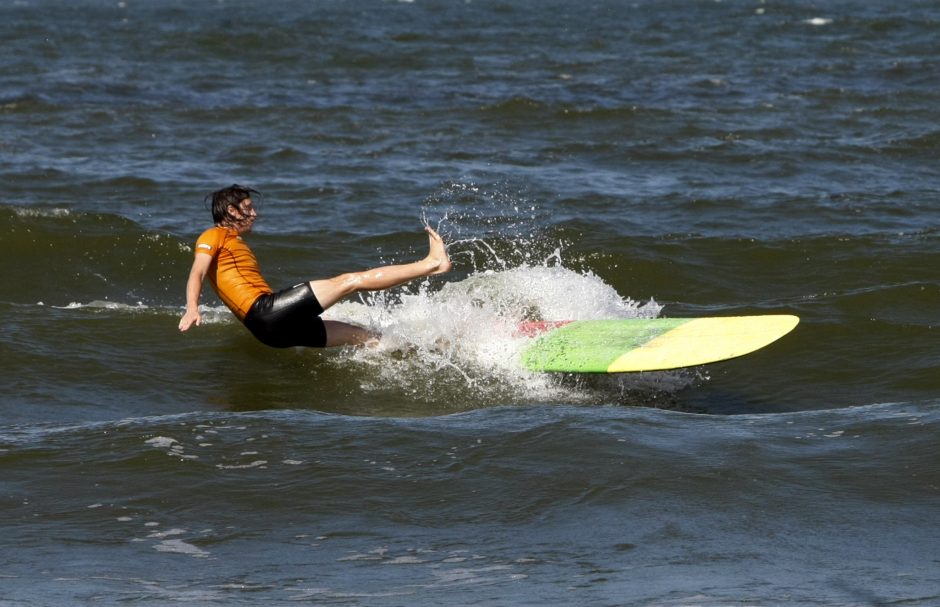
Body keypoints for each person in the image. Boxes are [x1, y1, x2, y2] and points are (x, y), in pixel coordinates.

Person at [178, 184, 452, 347]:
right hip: (265, 312)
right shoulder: (213, 235)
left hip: (269, 333)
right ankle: (432, 264)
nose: (255, 213)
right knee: (349, 281)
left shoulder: (235, 243)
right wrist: (192, 307)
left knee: (366, 338)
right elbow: (197, 271)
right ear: (232, 211)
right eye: (248, 208)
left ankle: (431, 350)